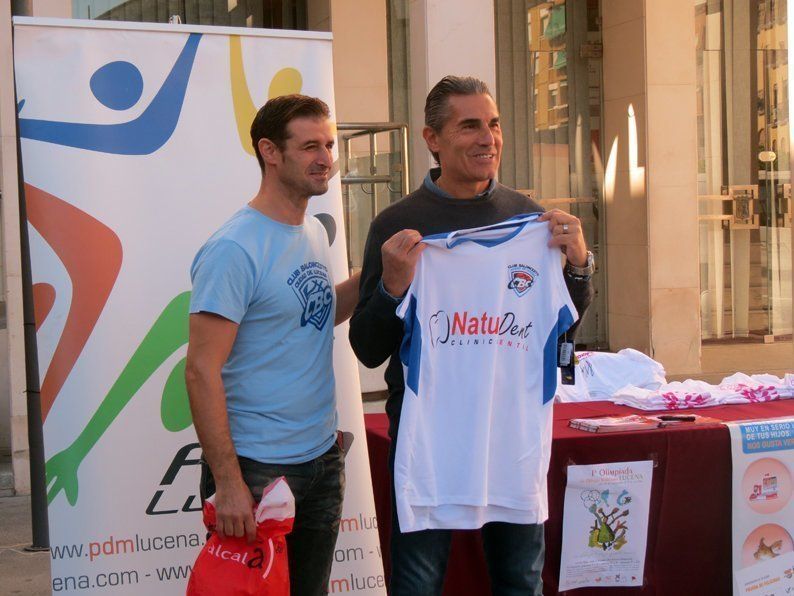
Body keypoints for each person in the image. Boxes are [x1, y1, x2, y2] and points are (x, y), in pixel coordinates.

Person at [349, 76, 594, 595]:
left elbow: (563, 325)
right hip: (428, 435)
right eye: (470, 126)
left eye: (494, 124)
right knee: (417, 581)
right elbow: (367, 347)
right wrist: (393, 287)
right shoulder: (399, 223)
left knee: (520, 580)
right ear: (432, 139)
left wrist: (579, 266)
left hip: (512, 432)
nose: (488, 138)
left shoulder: (531, 219)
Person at [186, 94, 360, 596]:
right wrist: (229, 482)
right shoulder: (233, 249)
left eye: (329, 144)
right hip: (258, 470)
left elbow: (319, 314)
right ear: (270, 151)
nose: (326, 157)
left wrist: (377, 273)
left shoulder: (309, 230)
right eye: (309, 146)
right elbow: (200, 370)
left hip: (322, 459)